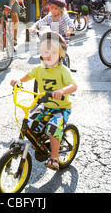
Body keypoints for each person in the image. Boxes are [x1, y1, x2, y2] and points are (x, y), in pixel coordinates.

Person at [10, 31, 77, 170]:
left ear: (60, 55)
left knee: (53, 127)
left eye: (53, 52)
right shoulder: (39, 69)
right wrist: (18, 81)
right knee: (30, 123)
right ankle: (36, 144)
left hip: (61, 108)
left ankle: (54, 157)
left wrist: (62, 91)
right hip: (46, 105)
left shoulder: (63, 70)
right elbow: (28, 75)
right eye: (45, 51)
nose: (48, 55)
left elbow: (73, 86)